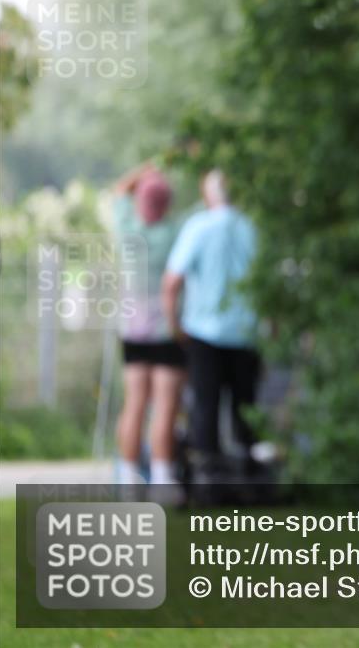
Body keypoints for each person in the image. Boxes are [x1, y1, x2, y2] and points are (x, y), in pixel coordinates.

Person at [162, 169, 261, 475]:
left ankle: (208, 475)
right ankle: (248, 476)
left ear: (208, 195)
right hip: (246, 332)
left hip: (204, 331)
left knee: (204, 406)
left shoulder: (198, 227)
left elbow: (172, 282)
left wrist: (174, 324)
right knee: (245, 409)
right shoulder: (252, 227)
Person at [111, 163, 186, 486]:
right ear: (167, 204)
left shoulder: (127, 229)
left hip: (132, 331)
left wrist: (144, 170)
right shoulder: (175, 232)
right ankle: (162, 475)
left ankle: (128, 475)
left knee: (135, 403)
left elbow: (117, 192)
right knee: (166, 405)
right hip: (167, 330)